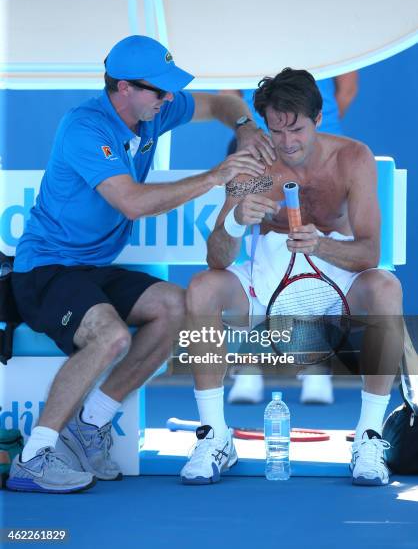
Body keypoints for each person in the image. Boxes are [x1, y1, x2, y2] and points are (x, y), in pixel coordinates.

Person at [6, 35, 275, 494]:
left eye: (170, 89)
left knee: (178, 306)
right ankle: (34, 457)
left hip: (89, 269)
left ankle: (91, 426)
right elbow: (130, 202)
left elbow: (222, 103)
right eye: (159, 89)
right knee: (109, 336)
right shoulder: (84, 128)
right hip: (45, 269)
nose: (169, 98)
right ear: (124, 88)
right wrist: (215, 177)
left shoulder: (154, 108)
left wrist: (246, 125)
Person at [181, 68, 405, 486]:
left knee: (387, 287)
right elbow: (216, 259)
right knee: (201, 288)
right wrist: (232, 223)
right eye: (277, 131)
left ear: (319, 119)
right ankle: (214, 436)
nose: (287, 143)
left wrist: (320, 245)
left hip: (337, 281)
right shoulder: (258, 168)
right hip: (268, 282)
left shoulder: (352, 158)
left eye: (297, 129)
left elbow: (371, 252)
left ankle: (369, 438)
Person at [222, 72, 359, 404]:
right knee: (256, 250)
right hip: (262, 146)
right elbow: (228, 91)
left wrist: (303, 134)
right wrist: (266, 132)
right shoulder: (242, 27)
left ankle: (314, 364)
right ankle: (249, 364)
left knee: (319, 260)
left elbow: (347, 87)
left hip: (319, 143)